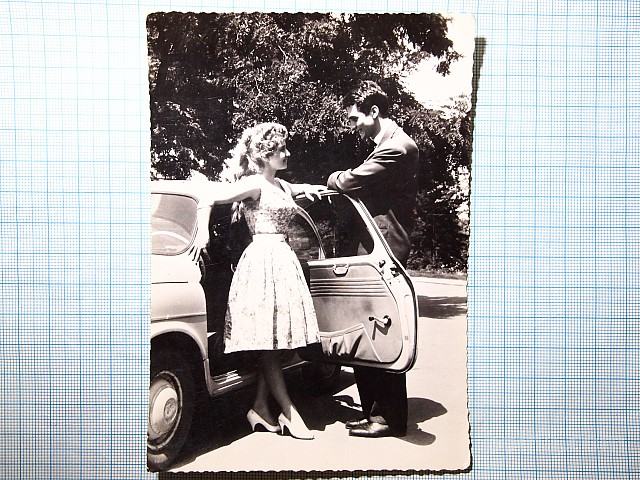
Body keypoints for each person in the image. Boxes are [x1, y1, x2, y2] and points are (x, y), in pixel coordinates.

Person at [203, 122, 327, 440]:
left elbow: (300, 189)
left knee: (276, 338)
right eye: (281, 149)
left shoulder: (282, 185)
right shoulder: (254, 183)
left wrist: (314, 188)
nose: (287, 153)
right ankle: (289, 412)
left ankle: (259, 406)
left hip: (283, 261)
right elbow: (212, 197)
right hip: (261, 262)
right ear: (266, 154)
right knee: (270, 341)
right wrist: (204, 231)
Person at [327, 80, 419, 438]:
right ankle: (374, 413)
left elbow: (348, 182)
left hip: (384, 248)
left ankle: (387, 418)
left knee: (380, 330)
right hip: (373, 248)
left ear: (374, 112)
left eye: (355, 119)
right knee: (367, 328)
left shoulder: (397, 147)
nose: (353, 126)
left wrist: (333, 177)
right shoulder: (384, 145)